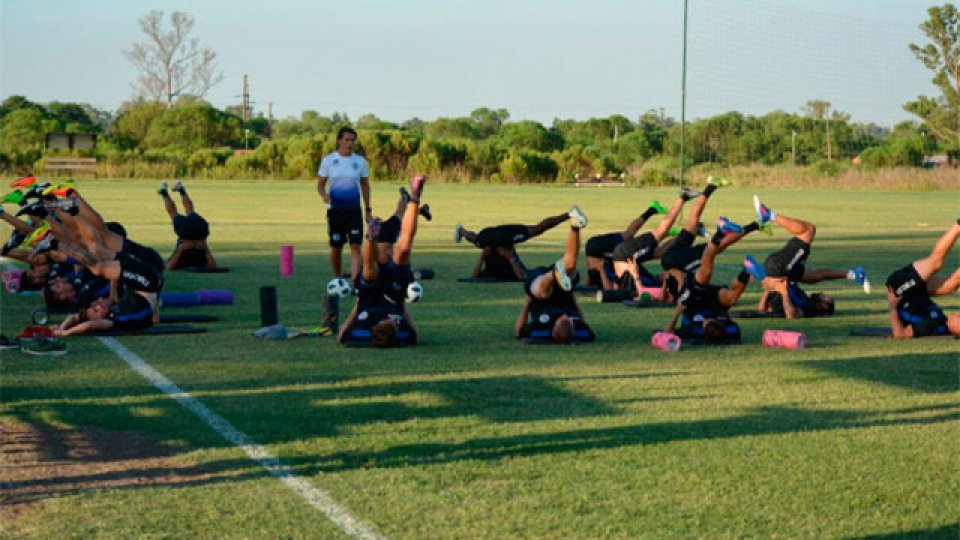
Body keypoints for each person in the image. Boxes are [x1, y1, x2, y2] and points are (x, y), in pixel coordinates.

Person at [338, 175, 427, 347]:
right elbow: (414, 334)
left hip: (370, 293)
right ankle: (415, 197)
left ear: (376, 326)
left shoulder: (362, 329)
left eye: (389, 324)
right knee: (404, 250)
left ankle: (371, 237)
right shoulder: (403, 333)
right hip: (395, 291)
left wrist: (357, 305)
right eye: (393, 324)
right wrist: (401, 304)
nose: (392, 322)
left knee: (370, 273)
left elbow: (342, 335)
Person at [747, 195, 869, 319]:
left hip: (779, 272)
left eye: (826, 297)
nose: (823, 293)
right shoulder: (805, 298)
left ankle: (769, 215)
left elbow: (790, 315)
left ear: (824, 306)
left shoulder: (808, 308)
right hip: (785, 275)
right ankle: (854, 274)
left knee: (808, 231)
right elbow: (822, 275)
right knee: (814, 277)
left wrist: (777, 291)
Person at [660, 180, 767, 304]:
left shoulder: (680, 294)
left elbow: (679, 278)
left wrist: (677, 293)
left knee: (716, 247)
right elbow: (665, 294)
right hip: (668, 259)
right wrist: (667, 283)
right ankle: (711, 186)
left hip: (679, 264)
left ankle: (751, 226)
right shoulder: (669, 288)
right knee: (692, 223)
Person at [664, 219, 754, 344]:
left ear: (703, 328)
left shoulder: (693, 331)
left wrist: (677, 312)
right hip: (714, 301)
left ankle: (720, 233)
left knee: (705, 273)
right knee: (732, 299)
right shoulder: (731, 330)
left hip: (692, 299)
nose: (708, 319)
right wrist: (725, 312)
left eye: (707, 321)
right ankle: (747, 270)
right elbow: (729, 320)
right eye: (713, 320)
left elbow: (667, 334)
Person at [516, 206, 594, 343]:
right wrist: (572, 296)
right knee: (569, 268)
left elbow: (519, 331)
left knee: (544, 292)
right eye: (568, 319)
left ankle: (554, 273)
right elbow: (582, 321)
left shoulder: (540, 330)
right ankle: (575, 227)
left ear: (554, 328)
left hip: (540, 282)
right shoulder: (581, 330)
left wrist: (528, 302)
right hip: (564, 287)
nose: (565, 315)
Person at [455, 208, 585, 281]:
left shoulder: (486, 248)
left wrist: (483, 255)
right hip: (504, 238)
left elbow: (474, 277)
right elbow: (522, 277)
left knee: (476, 239)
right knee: (537, 229)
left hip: (493, 238)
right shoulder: (504, 258)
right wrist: (510, 257)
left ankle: (461, 230)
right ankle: (568, 215)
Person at [885, 216, 960, 338]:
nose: (958, 314)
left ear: (956, 330)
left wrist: (892, 306)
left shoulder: (930, 325)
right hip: (917, 292)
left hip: (900, 291)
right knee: (952, 285)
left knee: (935, 263)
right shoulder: (940, 320)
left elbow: (900, 335)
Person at [611, 190, 694, 295]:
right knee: (658, 253)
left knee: (661, 232)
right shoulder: (650, 279)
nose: (664, 274)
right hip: (629, 258)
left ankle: (683, 197)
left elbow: (640, 292)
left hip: (625, 256)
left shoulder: (649, 285)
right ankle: (691, 230)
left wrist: (635, 277)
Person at [317, 126, 371, 282]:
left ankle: (355, 283)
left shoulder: (360, 162)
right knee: (336, 247)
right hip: (335, 212)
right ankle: (337, 278)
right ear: (339, 140)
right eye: (347, 139)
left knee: (355, 246)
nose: (350, 143)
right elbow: (320, 184)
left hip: (353, 211)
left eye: (352, 140)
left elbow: (365, 185)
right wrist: (324, 195)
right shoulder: (328, 161)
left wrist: (368, 209)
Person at [584, 200, 666, 290]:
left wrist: (600, 271)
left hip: (599, 249)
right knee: (632, 240)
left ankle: (661, 228)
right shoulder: (601, 269)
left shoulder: (603, 270)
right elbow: (590, 279)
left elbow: (608, 289)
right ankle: (654, 212)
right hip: (593, 246)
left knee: (633, 240)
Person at [157, 181, 217, 270]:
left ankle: (173, 191)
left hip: (190, 234)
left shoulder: (181, 254)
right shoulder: (201, 248)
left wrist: (182, 249)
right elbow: (212, 266)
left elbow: (169, 267)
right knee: (183, 212)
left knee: (183, 212)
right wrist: (204, 246)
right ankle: (168, 192)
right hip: (197, 233)